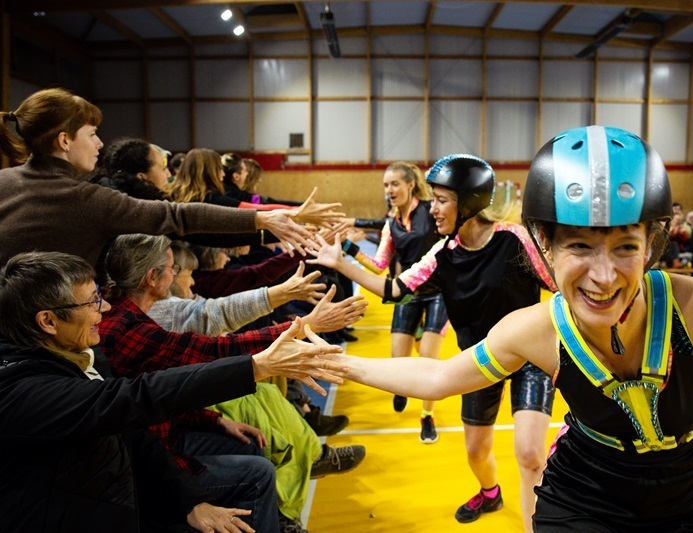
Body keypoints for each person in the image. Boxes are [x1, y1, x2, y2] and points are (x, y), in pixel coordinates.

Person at [309, 126, 693, 531]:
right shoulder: (532, 328)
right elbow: (436, 377)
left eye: (626, 247)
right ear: (545, 244)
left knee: (531, 451)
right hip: (580, 497)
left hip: (686, 504)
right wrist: (333, 360)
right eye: (580, 247)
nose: (604, 277)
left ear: (652, 244)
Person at [0, 251, 348, 533]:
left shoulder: (82, 355)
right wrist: (257, 366)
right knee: (256, 464)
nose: (103, 309)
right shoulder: (25, 391)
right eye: (92, 302)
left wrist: (188, 500)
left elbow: (133, 432)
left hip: (122, 496)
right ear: (48, 322)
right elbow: (141, 397)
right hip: (101, 510)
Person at [309, 155, 556, 533]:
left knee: (529, 454)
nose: (433, 208)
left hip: (531, 358)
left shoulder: (513, 239)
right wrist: (341, 262)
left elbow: (558, 285)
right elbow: (393, 290)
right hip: (481, 359)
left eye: (442, 200)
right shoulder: (442, 255)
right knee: (476, 452)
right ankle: (490, 492)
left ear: (469, 203)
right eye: (433, 200)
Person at [100, 234, 367, 532]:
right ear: (152, 277)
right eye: (174, 269)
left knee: (252, 437)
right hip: (153, 455)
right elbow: (207, 347)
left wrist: (214, 422)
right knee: (258, 465)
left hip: (167, 433)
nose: (178, 276)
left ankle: (298, 478)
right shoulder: (129, 327)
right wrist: (304, 326)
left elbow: (160, 394)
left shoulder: (129, 315)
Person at [0, 88, 340, 267]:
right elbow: (179, 217)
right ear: (64, 141)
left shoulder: (5, 181)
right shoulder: (86, 199)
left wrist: (270, 220)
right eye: (91, 134)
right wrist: (265, 220)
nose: (98, 143)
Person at [342, 162, 448, 442]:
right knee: (398, 358)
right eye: (386, 185)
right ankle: (402, 385)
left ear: (410, 185)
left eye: (395, 184)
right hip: (407, 293)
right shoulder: (391, 224)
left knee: (429, 359)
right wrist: (348, 247)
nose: (389, 190)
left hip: (439, 293)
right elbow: (379, 265)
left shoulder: (431, 211)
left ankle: (427, 417)